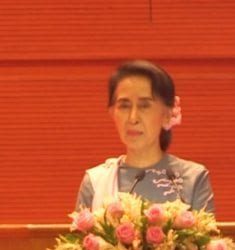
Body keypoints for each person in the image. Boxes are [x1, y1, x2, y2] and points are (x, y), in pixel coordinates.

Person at [76, 60, 215, 213]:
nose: (133, 118)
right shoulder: (96, 182)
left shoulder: (193, 178)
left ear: (167, 114)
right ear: (112, 113)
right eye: (124, 106)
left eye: (144, 106)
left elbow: (205, 236)